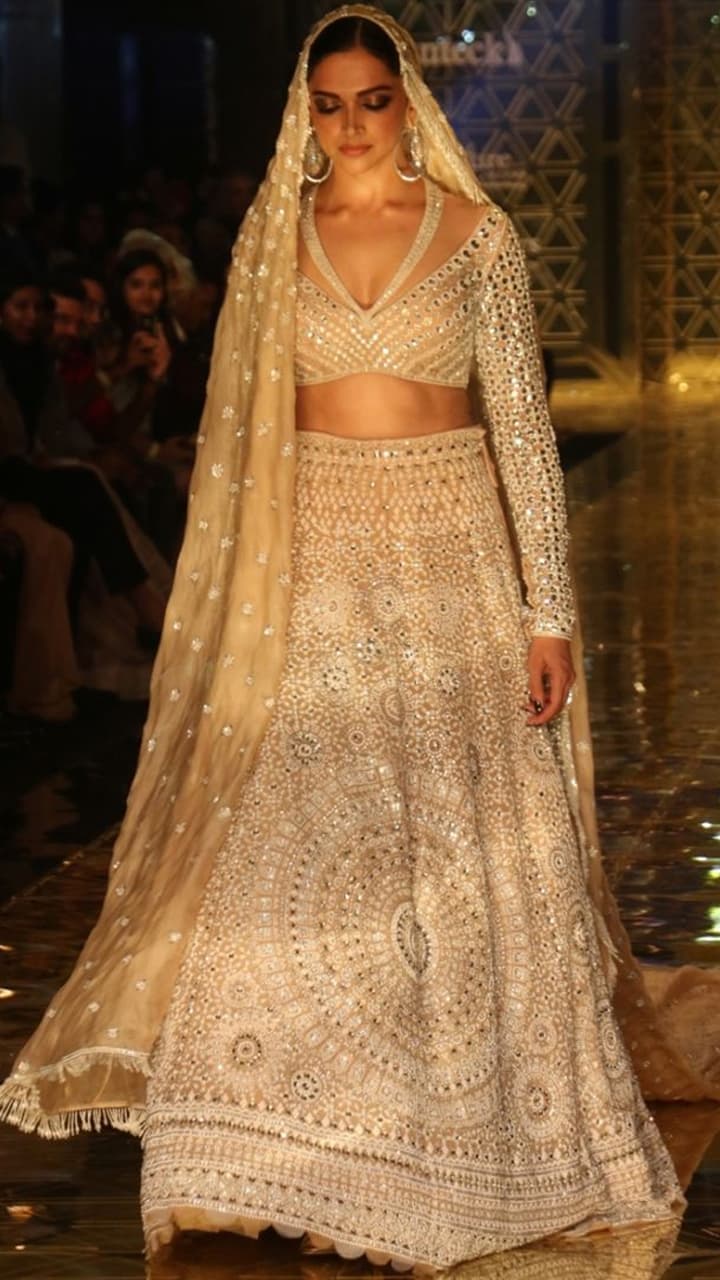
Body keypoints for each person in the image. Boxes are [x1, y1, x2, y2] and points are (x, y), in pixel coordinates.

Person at [2, 6, 720, 1275]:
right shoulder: (273, 239)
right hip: (323, 557)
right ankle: (289, 1151)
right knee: (309, 842)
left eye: (371, 101)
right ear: (306, 109)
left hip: (454, 554)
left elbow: (521, 430)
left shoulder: (477, 234)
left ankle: (464, 1143)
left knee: (455, 848)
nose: (350, 125)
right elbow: (239, 444)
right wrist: (231, 609)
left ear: (406, 101)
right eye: (328, 105)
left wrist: (549, 611)